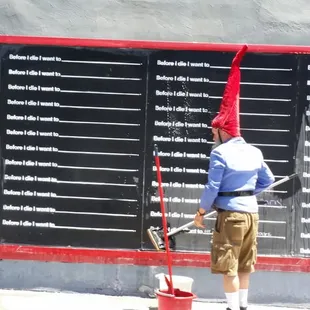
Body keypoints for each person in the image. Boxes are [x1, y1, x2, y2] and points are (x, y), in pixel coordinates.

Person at [194, 45, 275, 310]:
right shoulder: (255, 150)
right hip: (252, 215)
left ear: (221, 131)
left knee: (228, 263)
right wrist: (246, 192)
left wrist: (201, 211)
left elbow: (212, 186)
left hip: (230, 217)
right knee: (245, 263)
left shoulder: (220, 154)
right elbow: (268, 180)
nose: (211, 137)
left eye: (213, 132)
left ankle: (231, 308)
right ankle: (242, 306)